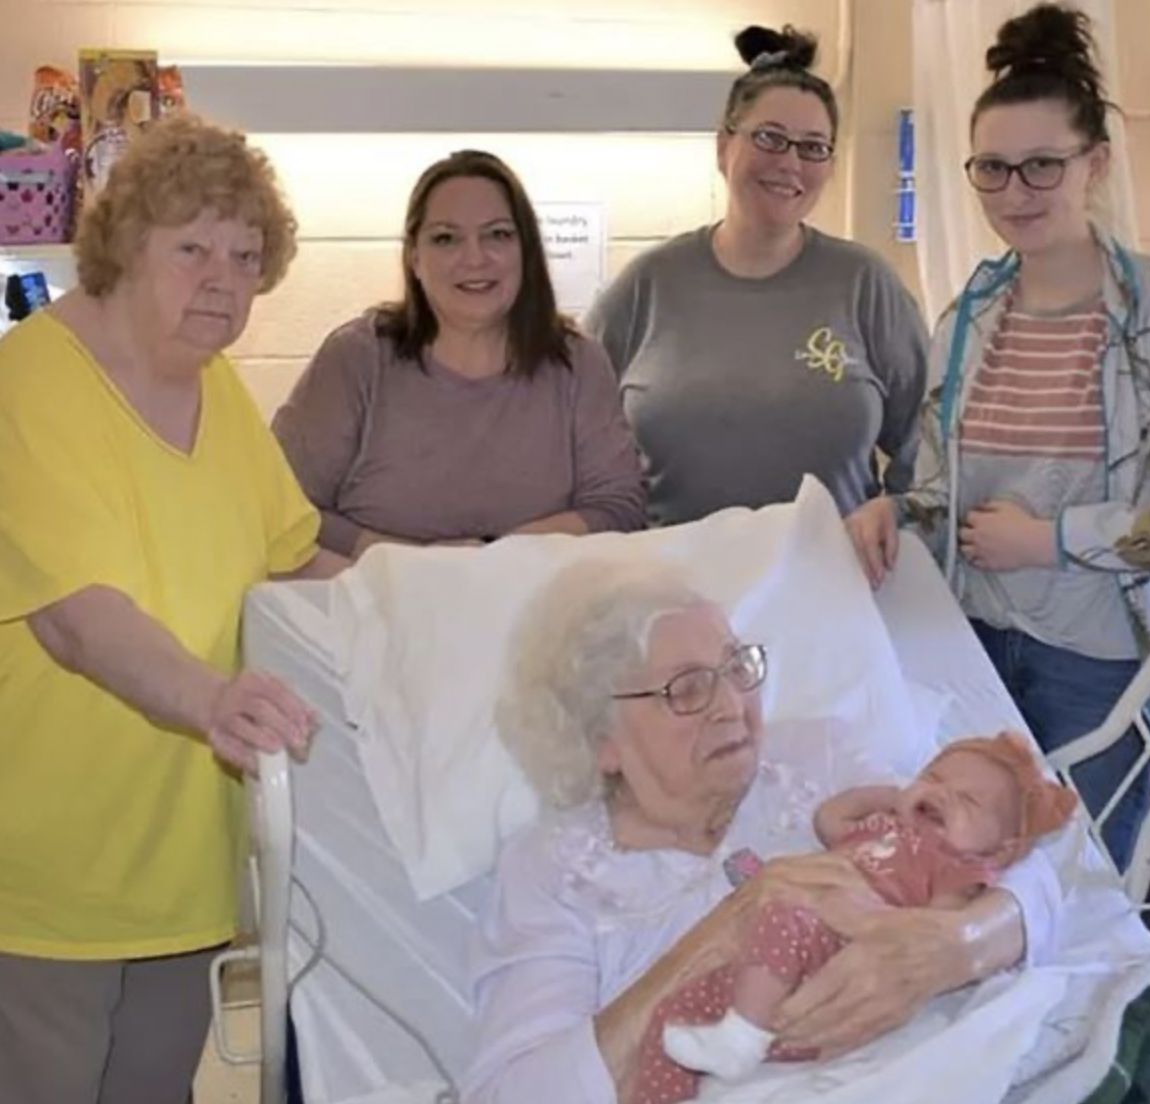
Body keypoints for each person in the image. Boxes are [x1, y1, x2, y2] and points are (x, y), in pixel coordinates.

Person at [0, 115, 346, 1104]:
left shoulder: (217, 387)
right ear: (123, 245)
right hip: (45, 884)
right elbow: (75, 615)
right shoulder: (30, 383)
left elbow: (298, 555)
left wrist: (425, 588)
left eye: (245, 256)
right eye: (191, 247)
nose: (223, 279)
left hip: (182, 876)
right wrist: (212, 699)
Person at [460, 562, 1063, 1104]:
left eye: (736, 667)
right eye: (688, 689)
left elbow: (1016, 856)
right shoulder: (552, 872)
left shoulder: (818, 757)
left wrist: (958, 944)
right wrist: (728, 927)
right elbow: (511, 1093)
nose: (731, 704)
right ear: (603, 740)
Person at [845, 3, 1150, 871]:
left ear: (1095, 164)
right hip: (971, 640)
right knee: (969, 878)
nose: (1015, 194)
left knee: (1090, 881)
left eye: (1041, 167)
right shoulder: (968, 318)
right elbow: (949, 491)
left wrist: (1048, 540)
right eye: (992, 169)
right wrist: (896, 510)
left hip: (1096, 657)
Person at [583, 24, 927, 526]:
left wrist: (895, 520)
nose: (790, 163)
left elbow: (928, 446)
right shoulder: (643, 288)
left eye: (813, 147)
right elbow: (574, 447)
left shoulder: (866, 286)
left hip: (832, 589)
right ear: (724, 147)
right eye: (769, 138)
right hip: (674, 591)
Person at [641, 733, 1077, 1104]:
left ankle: (742, 1037)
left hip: (836, 954)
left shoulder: (956, 867)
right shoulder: (882, 826)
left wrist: (861, 915)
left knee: (781, 914)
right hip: (782, 949)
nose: (940, 794)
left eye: (966, 800)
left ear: (1000, 848)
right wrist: (896, 796)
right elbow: (829, 818)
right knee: (674, 1014)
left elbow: (925, 933)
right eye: (934, 778)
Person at [273, 149, 647, 555]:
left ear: (527, 250)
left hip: (542, 611)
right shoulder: (355, 359)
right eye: (446, 238)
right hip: (381, 609)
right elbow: (281, 506)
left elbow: (620, 508)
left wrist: (495, 557)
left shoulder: (578, 363)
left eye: (498, 235)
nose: (474, 258)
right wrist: (411, 563)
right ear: (414, 257)